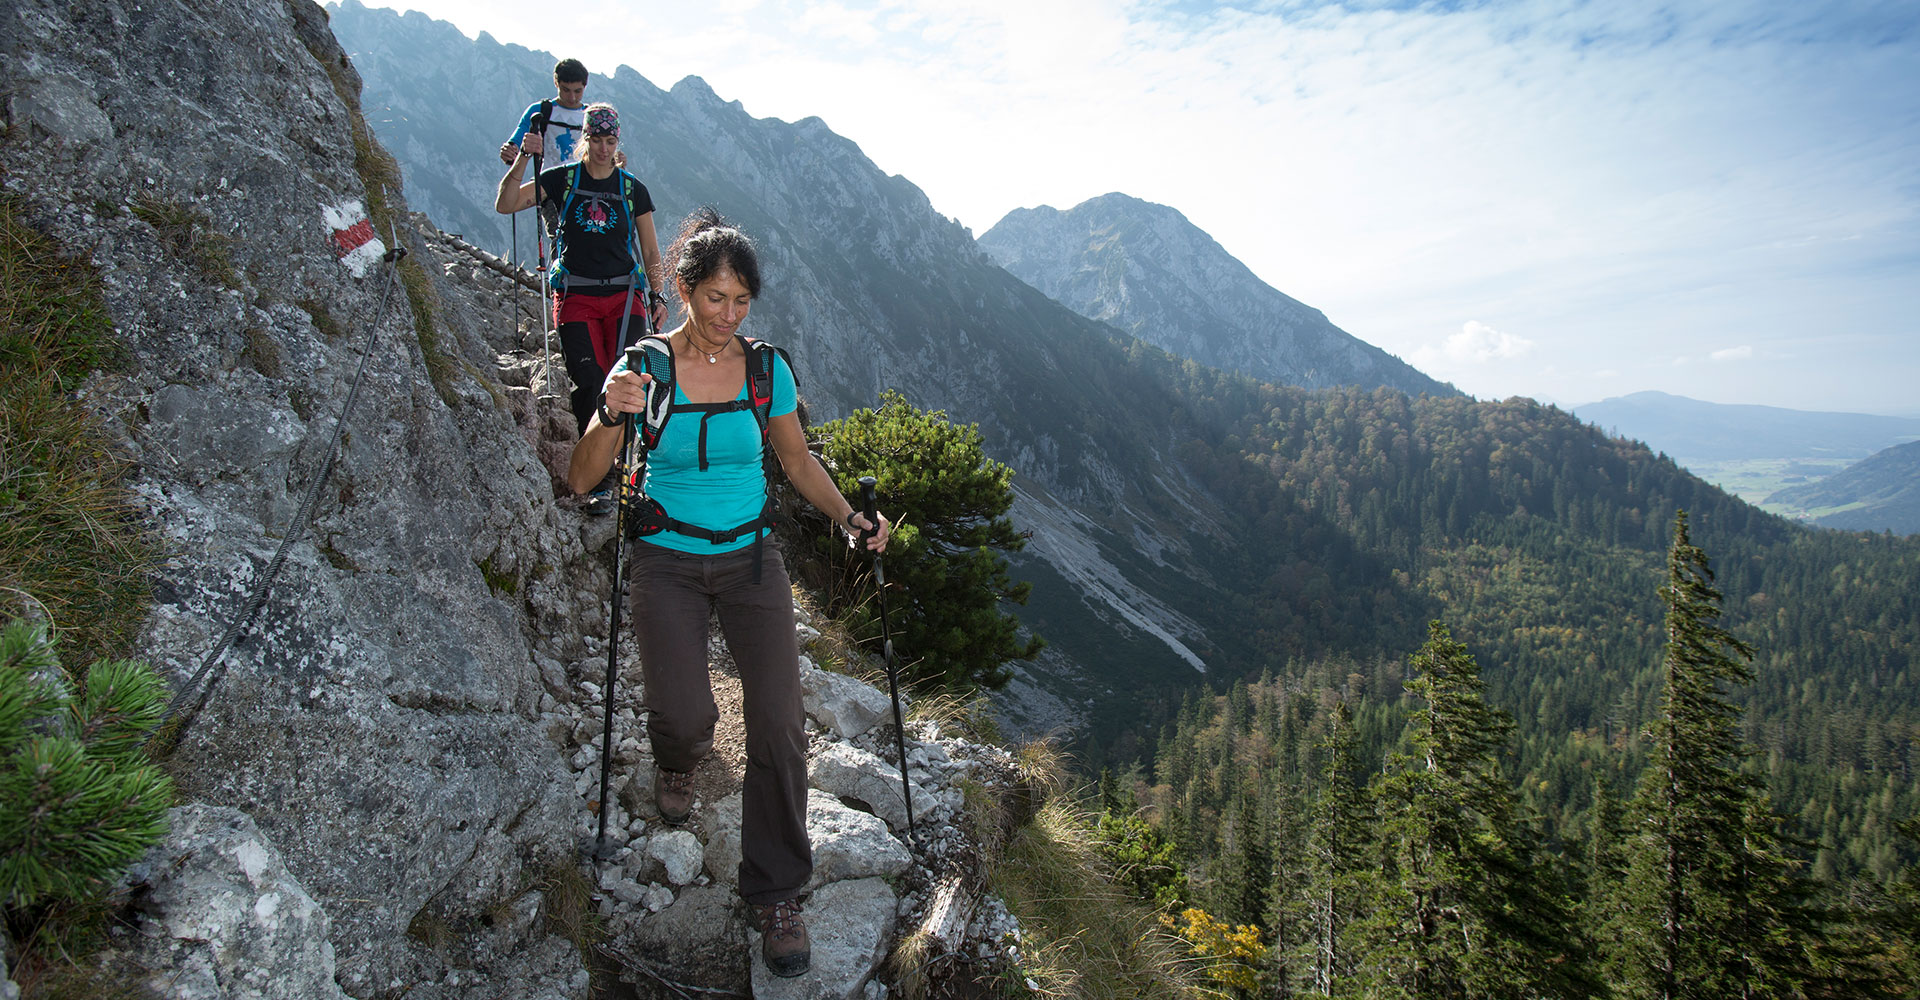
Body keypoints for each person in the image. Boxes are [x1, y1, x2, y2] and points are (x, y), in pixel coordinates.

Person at [567, 208, 890, 978]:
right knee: (684, 716)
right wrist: (610, 412)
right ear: (682, 290)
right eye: (715, 297)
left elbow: (799, 461)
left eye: (741, 300)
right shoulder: (643, 371)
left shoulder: (764, 370)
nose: (729, 314)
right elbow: (581, 478)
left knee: (778, 722)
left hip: (751, 560)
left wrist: (850, 517)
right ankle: (676, 759)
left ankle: (777, 891)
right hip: (667, 561)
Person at [496, 102, 667, 511]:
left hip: (626, 297)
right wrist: (525, 153)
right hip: (576, 297)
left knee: (630, 381)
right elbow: (505, 203)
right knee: (590, 381)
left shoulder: (632, 189)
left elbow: (650, 250)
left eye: (611, 141)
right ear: (584, 139)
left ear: (617, 141)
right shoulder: (560, 180)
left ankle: (630, 467)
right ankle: (601, 477)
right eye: (597, 139)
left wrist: (657, 296)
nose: (605, 148)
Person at [498, 57, 589, 167]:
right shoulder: (539, 111)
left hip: (585, 182)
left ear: (585, 86)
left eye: (577, 91)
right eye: (566, 90)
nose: (572, 97)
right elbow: (516, 142)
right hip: (547, 181)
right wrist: (509, 152)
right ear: (556, 83)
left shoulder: (592, 115)